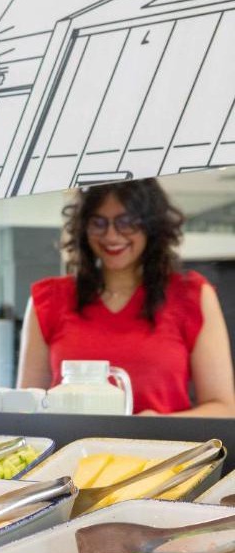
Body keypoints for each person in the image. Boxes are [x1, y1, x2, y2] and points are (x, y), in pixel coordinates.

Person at [17, 178, 235, 416]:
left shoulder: (192, 295)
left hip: (162, 441)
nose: (112, 236)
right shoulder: (48, 300)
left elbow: (224, 407)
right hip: (70, 441)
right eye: (98, 223)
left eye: (126, 222)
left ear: (151, 225)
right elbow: (27, 410)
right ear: (83, 228)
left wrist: (161, 424)